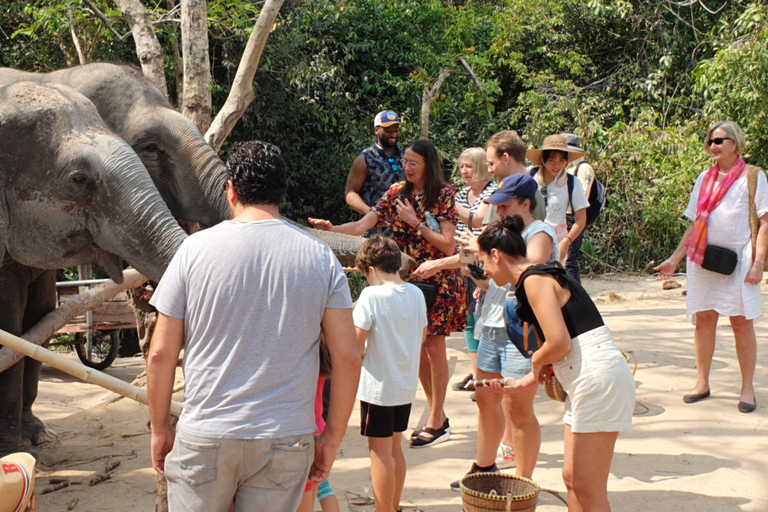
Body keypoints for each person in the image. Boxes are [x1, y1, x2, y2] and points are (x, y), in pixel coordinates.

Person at [147, 141, 362, 512]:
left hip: (207, 433)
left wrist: (160, 427)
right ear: (280, 192)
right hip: (286, 438)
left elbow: (161, 353)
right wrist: (331, 437)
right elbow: (348, 356)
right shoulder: (318, 255)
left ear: (230, 190)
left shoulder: (193, 251)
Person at [310, 139, 466, 449]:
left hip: (440, 279)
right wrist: (332, 229)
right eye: (405, 161)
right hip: (407, 278)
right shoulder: (396, 192)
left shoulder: (444, 195)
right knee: (419, 347)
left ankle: (436, 418)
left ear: (428, 166)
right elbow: (364, 224)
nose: (406, 167)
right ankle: (440, 414)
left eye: (413, 163)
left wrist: (415, 223)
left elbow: (449, 245)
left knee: (434, 346)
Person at [478, 215, 635, 512]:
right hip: (584, 375)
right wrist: (523, 381)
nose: (483, 270)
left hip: (595, 375)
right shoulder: (539, 274)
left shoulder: (534, 280)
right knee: (572, 477)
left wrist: (535, 359)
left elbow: (558, 343)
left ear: (496, 255)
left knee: (588, 489)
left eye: (482, 260)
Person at [450, 174, 559, 491]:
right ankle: (484, 467)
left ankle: (522, 482)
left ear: (526, 204)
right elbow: (495, 280)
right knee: (487, 400)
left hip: (520, 331)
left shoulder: (539, 232)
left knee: (518, 409)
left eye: (505, 204)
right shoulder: (497, 232)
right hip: (491, 325)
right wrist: (474, 267)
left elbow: (530, 273)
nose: (498, 210)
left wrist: (487, 247)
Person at [655, 121, 767, 413]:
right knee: (704, 319)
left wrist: (758, 264)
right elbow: (695, 223)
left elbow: (764, 222)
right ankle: (702, 383)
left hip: (739, 262)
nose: (713, 145)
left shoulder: (754, 177)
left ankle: (747, 388)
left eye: (720, 140)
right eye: (710, 141)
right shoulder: (704, 178)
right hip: (703, 261)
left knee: (741, 322)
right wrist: (674, 258)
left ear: (735, 142)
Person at [353, 236, 428, 512]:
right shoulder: (416, 293)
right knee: (395, 449)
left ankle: (383, 509)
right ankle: (392, 507)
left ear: (371, 270)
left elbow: (355, 345)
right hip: (405, 386)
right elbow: (422, 336)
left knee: (379, 453)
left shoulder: (370, 296)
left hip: (378, 389)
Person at [451, 148, 498, 393]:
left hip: (485, 259)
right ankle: (477, 373)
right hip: (463, 259)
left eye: (469, 166)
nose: (464, 172)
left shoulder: (494, 190)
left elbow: (478, 219)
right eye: (462, 167)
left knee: (484, 317)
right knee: (470, 319)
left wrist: (447, 201)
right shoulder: (461, 193)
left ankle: (485, 373)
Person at [527, 134, 589, 267]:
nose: (557, 165)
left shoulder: (572, 183)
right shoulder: (528, 177)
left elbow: (581, 219)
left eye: (562, 160)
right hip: (528, 240)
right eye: (551, 160)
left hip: (556, 243)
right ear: (543, 159)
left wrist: (566, 242)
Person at [345, 111, 405, 237]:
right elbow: (351, 193)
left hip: (404, 232)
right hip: (374, 233)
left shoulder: (407, 155)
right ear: (377, 130)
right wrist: (372, 213)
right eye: (389, 131)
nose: (394, 134)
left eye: (396, 130)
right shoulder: (365, 159)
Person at [561, 133, 596, 282]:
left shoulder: (584, 168)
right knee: (563, 260)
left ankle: (576, 297)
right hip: (563, 217)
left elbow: (582, 196)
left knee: (569, 260)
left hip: (573, 217)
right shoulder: (569, 168)